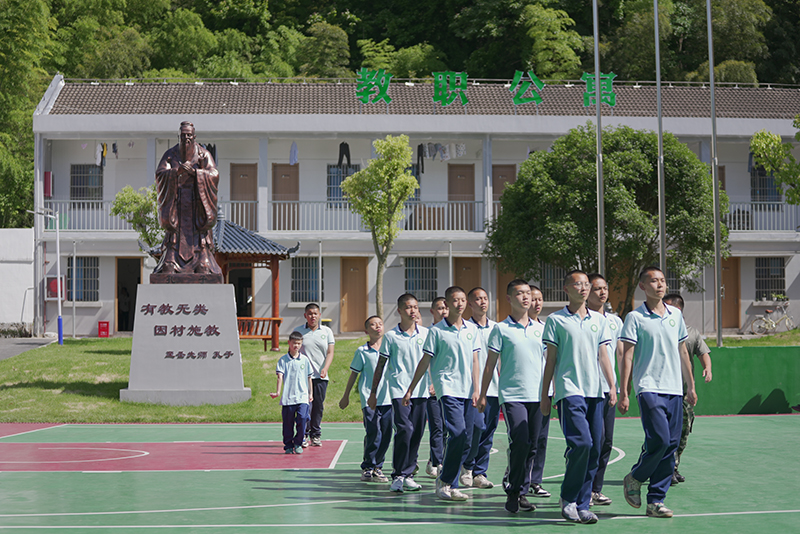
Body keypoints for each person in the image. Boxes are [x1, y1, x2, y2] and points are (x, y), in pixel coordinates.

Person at [619, 267, 697, 519]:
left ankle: (655, 501)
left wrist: (691, 385)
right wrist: (624, 390)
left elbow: (683, 351)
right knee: (661, 440)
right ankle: (636, 476)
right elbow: (627, 355)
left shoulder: (676, 315)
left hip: (674, 389)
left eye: (663, 280)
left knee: (671, 445)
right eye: (654, 281)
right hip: (648, 386)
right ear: (643, 286)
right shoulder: (635, 317)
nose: (660, 285)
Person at [541, 270, 617, 524]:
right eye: (578, 284)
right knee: (582, 443)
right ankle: (568, 497)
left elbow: (603, 355)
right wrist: (545, 394)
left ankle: (583, 504)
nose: (584, 288)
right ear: (566, 289)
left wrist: (612, 386)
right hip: (568, 390)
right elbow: (550, 360)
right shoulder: (556, 320)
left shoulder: (599, 320)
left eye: (586, 284)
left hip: (595, 391)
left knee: (595, 447)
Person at [404, 286, 480, 502]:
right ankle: (446, 481)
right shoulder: (436, 331)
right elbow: (425, 361)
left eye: (463, 299)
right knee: (457, 433)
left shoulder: (471, 329)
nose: (460, 303)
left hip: (467, 391)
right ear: (447, 304)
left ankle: (450, 482)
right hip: (447, 388)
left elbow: (475, 361)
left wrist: (477, 389)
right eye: (455, 300)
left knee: (467, 438)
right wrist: (411, 388)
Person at [479, 280, 541, 513]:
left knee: (532, 446)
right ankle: (513, 490)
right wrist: (483, 394)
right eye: (519, 294)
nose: (525, 297)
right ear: (508, 298)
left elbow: (549, 362)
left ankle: (522, 491)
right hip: (513, 394)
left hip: (538, 395)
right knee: (521, 441)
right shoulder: (501, 329)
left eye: (528, 293)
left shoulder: (541, 329)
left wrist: (552, 391)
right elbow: (490, 365)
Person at [368, 294, 429, 493]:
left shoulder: (426, 334)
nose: (413, 311)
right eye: (409, 307)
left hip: (421, 391)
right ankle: (398, 475)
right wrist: (373, 393)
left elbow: (432, 361)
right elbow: (380, 365)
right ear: (399, 311)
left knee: (417, 433)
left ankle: (408, 474)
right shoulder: (391, 336)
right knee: (405, 430)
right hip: (399, 391)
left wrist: (433, 383)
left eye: (416, 307)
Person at [153, 121, 222, 276]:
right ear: (179, 136)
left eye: (189, 135)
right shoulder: (170, 155)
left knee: (201, 247)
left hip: (197, 204)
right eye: (183, 135)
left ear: (194, 136)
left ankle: (201, 259)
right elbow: (160, 174)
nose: (186, 138)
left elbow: (214, 174)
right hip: (177, 204)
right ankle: (172, 259)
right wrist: (175, 172)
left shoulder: (204, 154)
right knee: (172, 246)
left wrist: (197, 173)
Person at [662, 293, 712, 485]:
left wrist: (707, 368)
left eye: (667, 307)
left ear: (678, 310)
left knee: (682, 433)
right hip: (663, 390)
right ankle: (659, 468)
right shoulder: (660, 329)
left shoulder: (691, 333)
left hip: (683, 393)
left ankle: (672, 468)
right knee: (662, 434)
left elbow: (703, 352)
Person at [586, 273, 623, 506]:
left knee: (606, 441)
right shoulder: (581, 319)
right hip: (588, 389)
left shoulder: (615, 321)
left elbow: (620, 353)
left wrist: (619, 387)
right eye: (597, 288)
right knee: (592, 440)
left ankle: (595, 489)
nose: (602, 292)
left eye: (605, 288)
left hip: (608, 389)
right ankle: (582, 488)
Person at [339, 316, 391, 483]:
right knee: (373, 431)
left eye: (380, 324)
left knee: (386, 434)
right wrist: (346, 396)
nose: (378, 327)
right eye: (373, 325)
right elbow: (354, 374)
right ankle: (368, 467)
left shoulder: (390, 349)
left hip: (389, 398)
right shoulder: (362, 351)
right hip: (369, 398)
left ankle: (378, 467)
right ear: (366, 331)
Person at [461, 287, 498, 489]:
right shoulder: (465, 328)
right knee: (475, 428)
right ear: (470, 303)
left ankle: (480, 472)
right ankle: (467, 467)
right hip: (472, 389)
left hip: (494, 388)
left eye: (485, 298)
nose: (483, 302)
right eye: (478, 299)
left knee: (488, 432)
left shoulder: (497, 328)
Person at [293, 303, 335, 447]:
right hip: (303, 377)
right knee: (304, 407)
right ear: (305, 315)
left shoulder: (327, 331)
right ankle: (303, 434)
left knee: (318, 406)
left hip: (320, 377)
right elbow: (293, 352)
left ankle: (315, 434)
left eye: (315, 313)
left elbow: (330, 352)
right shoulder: (298, 331)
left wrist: (325, 368)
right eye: (310, 314)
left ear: (319, 315)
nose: (313, 316)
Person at [527, 285, 553, 499]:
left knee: (541, 439)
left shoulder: (547, 328)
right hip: (524, 391)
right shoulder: (516, 328)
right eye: (533, 299)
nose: (537, 303)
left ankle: (535, 481)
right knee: (524, 439)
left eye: (540, 299)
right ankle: (517, 475)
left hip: (545, 391)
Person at [270, 331, 313, 454]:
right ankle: (288, 445)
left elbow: (309, 377)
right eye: (294, 343)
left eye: (299, 343)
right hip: (288, 398)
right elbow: (280, 377)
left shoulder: (305, 360)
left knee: (302, 418)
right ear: (289, 343)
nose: (296, 346)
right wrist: (278, 392)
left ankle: (298, 442)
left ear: (301, 344)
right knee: (288, 423)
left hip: (302, 397)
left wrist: (310, 394)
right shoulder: (283, 360)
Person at [425, 298, 447, 478]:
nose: (444, 311)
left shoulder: (452, 332)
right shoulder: (428, 333)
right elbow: (425, 361)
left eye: (446, 308)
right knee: (437, 427)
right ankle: (437, 463)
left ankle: (436, 458)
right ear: (432, 311)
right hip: (431, 389)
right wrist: (431, 381)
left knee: (448, 428)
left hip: (450, 388)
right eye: (440, 308)